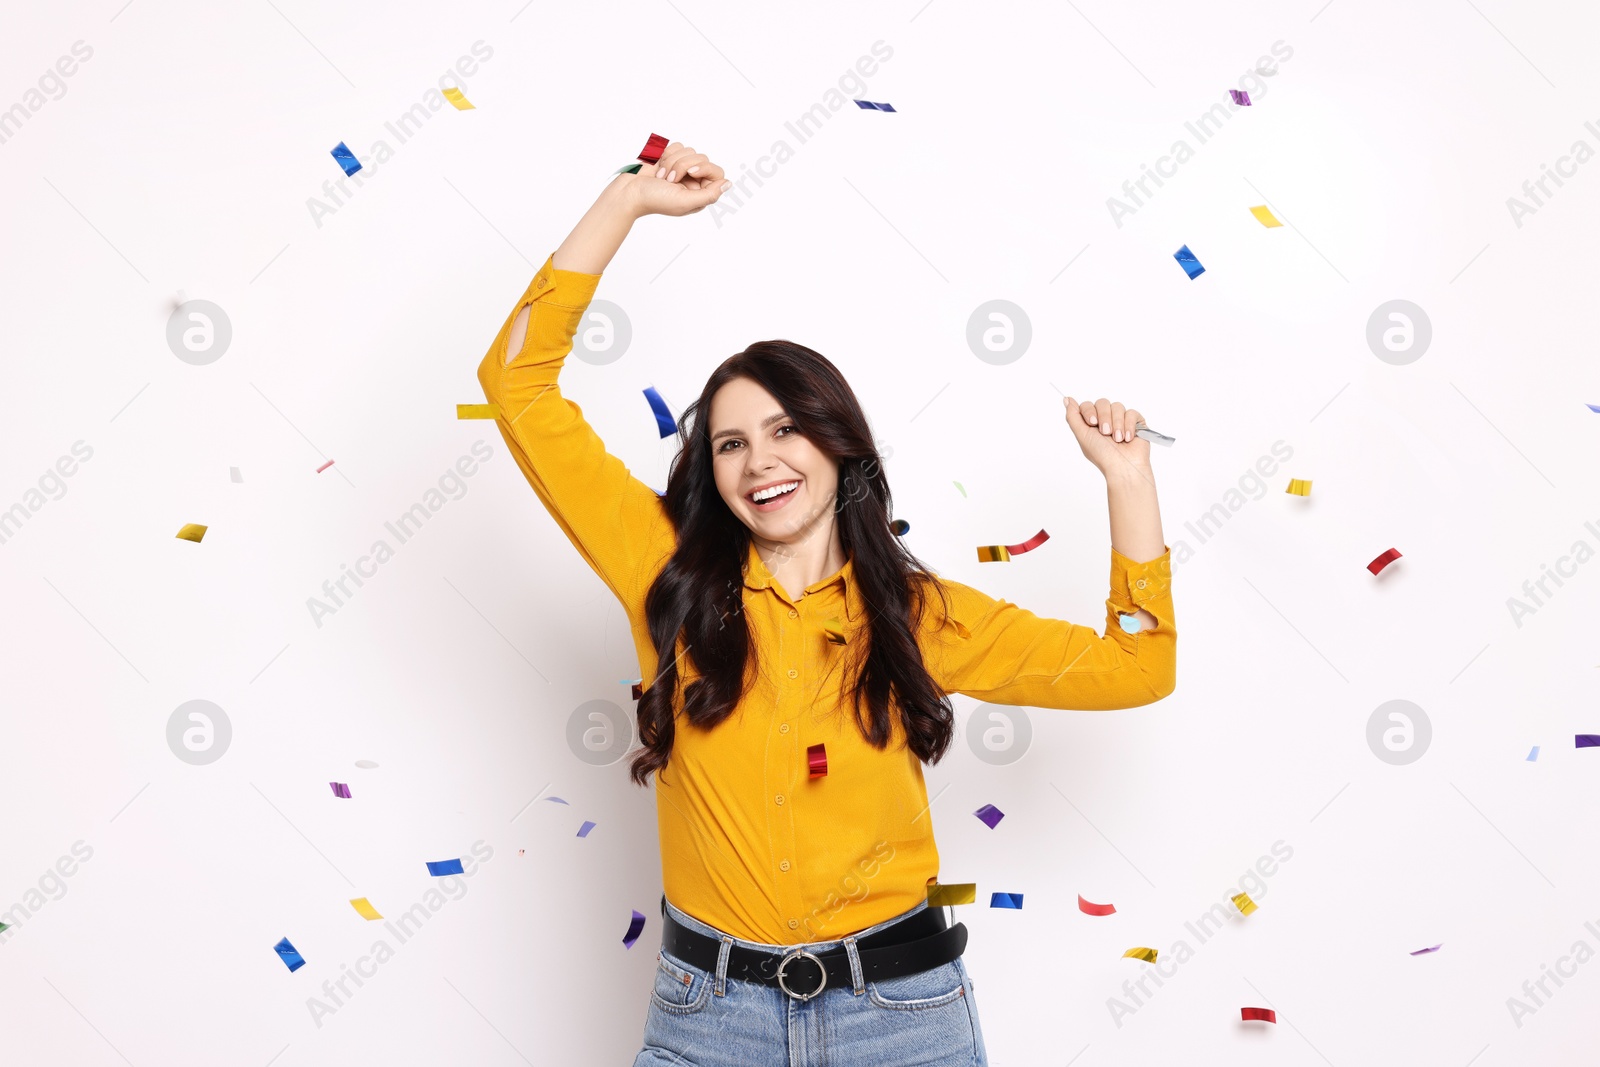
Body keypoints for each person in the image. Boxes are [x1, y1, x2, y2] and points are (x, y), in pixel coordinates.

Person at [477, 141, 1177, 1067]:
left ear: (837, 444)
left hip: (900, 1017)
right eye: (729, 444)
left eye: (784, 429)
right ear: (711, 472)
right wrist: (627, 202)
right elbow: (516, 385)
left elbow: (1138, 667)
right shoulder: (663, 571)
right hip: (707, 1017)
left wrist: (1128, 483)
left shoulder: (924, 615)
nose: (759, 460)